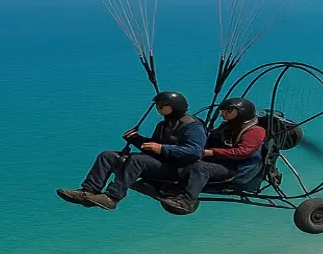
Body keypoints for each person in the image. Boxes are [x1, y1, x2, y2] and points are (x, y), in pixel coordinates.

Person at [56, 90, 207, 210]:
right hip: (160, 164)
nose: (158, 109)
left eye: (162, 105)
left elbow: (194, 152)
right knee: (108, 155)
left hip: (178, 170)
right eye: (157, 106)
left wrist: (161, 148)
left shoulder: (192, 126)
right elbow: (152, 148)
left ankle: (112, 197)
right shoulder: (163, 126)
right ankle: (88, 192)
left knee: (137, 160)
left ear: (174, 106)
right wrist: (136, 139)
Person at [162, 96, 265, 214]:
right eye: (222, 111)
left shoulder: (255, 131)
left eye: (228, 111)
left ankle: (187, 201)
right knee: (188, 159)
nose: (223, 114)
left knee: (201, 167)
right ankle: (172, 187)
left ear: (242, 112)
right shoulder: (226, 127)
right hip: (221, 164)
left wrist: (212, 152)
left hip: (238, 169)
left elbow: (243, 152)